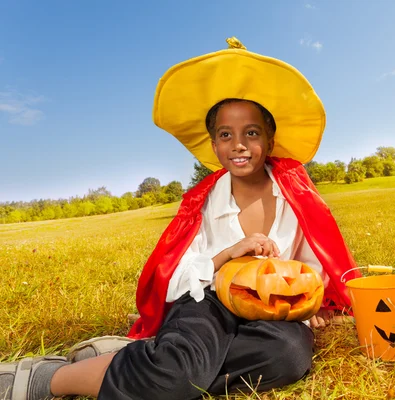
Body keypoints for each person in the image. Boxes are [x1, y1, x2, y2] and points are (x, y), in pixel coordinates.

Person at [0, 37, 361, 400]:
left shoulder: (296, 196)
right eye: (226, 135)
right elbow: (175, 280)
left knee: (289, 357)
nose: (238, 144)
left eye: (251, 133)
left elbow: (314, 271)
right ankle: (46, 379)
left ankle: (141, 359)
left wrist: (316, 307)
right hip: (207, 299)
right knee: (180, 369)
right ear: (214, 145)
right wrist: (229, 253)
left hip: (271, 312)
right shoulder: (201, 204)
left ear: (269, 140)